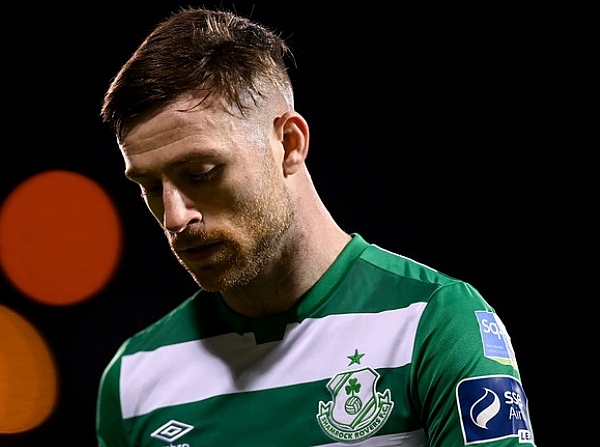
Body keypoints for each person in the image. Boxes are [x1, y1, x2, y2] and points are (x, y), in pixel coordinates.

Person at [96, 7, 535, 447]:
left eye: (202, 172)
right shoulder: (134, 377)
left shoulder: (432, 323)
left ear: (289, 143)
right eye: (150, 186)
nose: (174, 217)